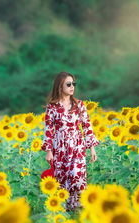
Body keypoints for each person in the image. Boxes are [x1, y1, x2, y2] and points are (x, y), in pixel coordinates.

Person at [41, 71, 100, 213]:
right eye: (68, 84)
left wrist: (92, 148)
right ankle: (68, 212)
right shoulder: (52, 107)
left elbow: (87, 126)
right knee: (63, 180)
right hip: (59, 147)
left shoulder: (79, 105)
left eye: (73, 83)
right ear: (60, 86)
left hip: (77, 145)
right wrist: (49, 151)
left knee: (77, 176)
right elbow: (48, 129)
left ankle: (82, 207)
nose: (72, 86)